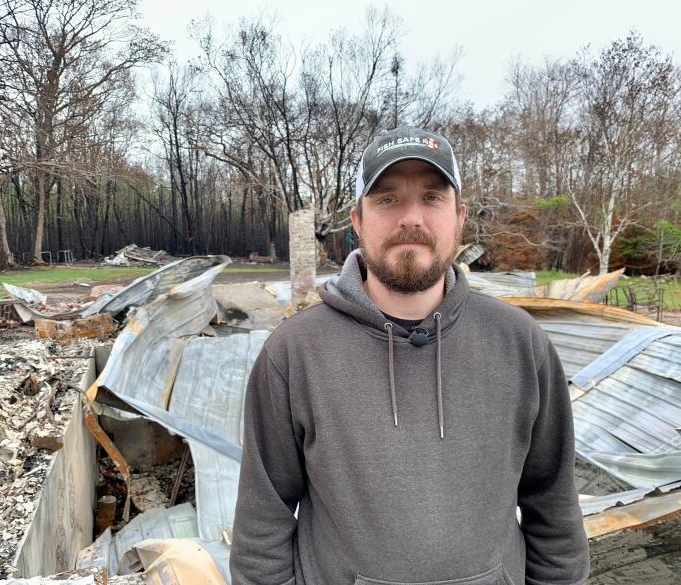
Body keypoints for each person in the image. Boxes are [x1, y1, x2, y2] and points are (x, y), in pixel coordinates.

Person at [230, 126, 590, 585]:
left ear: (459, 217)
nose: (411, 218)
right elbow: (263, 523)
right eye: (387, 199)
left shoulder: (521, 344)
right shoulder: (294, 353)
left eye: (432, 198)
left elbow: (553, 506)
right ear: (357, 221)